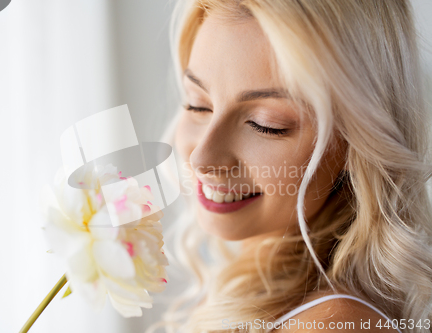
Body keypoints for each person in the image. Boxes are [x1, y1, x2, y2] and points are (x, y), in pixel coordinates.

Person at [150, 0, 432, 332]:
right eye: (198, 105)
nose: (202, 159)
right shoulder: (255, 287)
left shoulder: (335, 324)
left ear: (357, 143)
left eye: (265, 124)